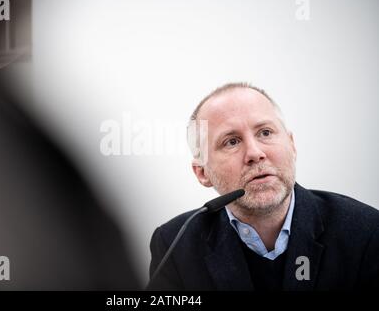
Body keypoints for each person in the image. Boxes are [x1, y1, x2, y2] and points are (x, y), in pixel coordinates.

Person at [147, 82, 379, 290]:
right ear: (202, 173)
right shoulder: (174, 244)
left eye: (265, 132)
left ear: (292, 145)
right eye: (232, 142)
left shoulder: (366, 232)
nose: (255, 154)